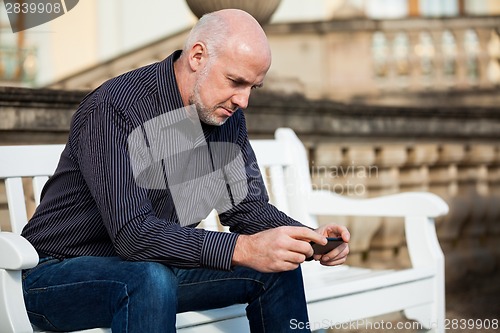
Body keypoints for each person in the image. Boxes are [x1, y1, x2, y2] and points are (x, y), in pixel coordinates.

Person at [21, 8, 350, 333]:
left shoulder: (225, 117)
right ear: (197, 56)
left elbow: (248, 208)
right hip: (52, 275)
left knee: (275, 267)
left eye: (254, 87)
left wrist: (308, 238)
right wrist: (243, 248)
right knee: (150, 278)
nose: (244, 101)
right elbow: (133, 236)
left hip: (152, 268)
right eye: (235, 81)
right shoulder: (113, 109)